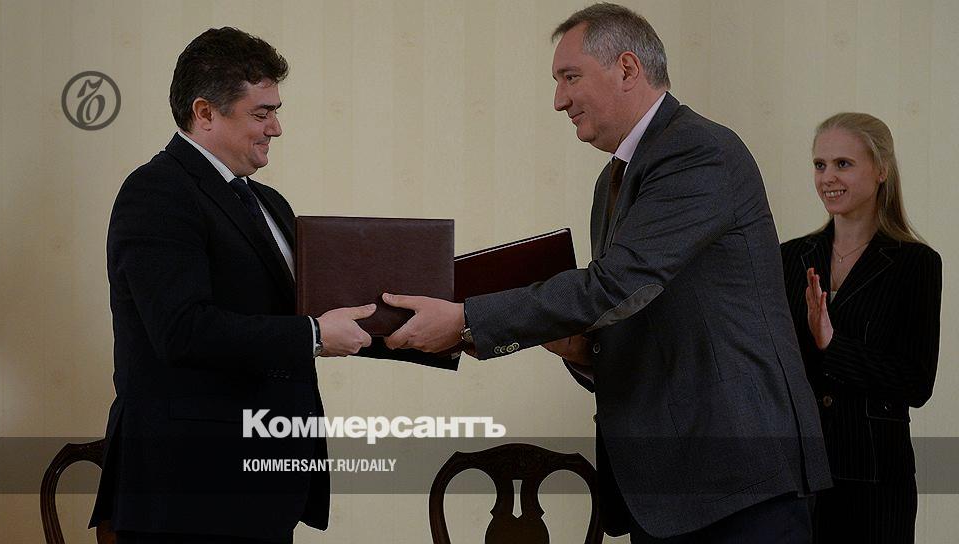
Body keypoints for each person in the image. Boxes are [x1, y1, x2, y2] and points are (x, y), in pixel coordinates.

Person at [382, 3, 831, 542]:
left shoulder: (698, 151)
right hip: (670, 485)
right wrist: (583, 352)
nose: (559, 100)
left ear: (627, 68)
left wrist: (467, 320)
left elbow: (616, 284)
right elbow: (632, 307)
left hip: (736, 477)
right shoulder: (614, 179)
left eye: (570, 77)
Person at [88, 27, 376, 543]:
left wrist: (410, 323)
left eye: (276, 111)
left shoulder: (270, 202)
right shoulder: (156, 191)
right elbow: (181, 330)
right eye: (261, 114)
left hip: (265, 486)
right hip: (187, 490)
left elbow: (304, 312)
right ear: (204, 113)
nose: (277, 128)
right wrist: (314, 335)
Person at [780, 113, 941, 543]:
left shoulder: (915, 264)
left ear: (881, 169)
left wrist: (832, 345)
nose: (827, 177)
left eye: (843, 164)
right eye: (820, 165)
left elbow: (916, 382)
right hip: (797, 476)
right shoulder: (789, 258)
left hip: (875, 483)